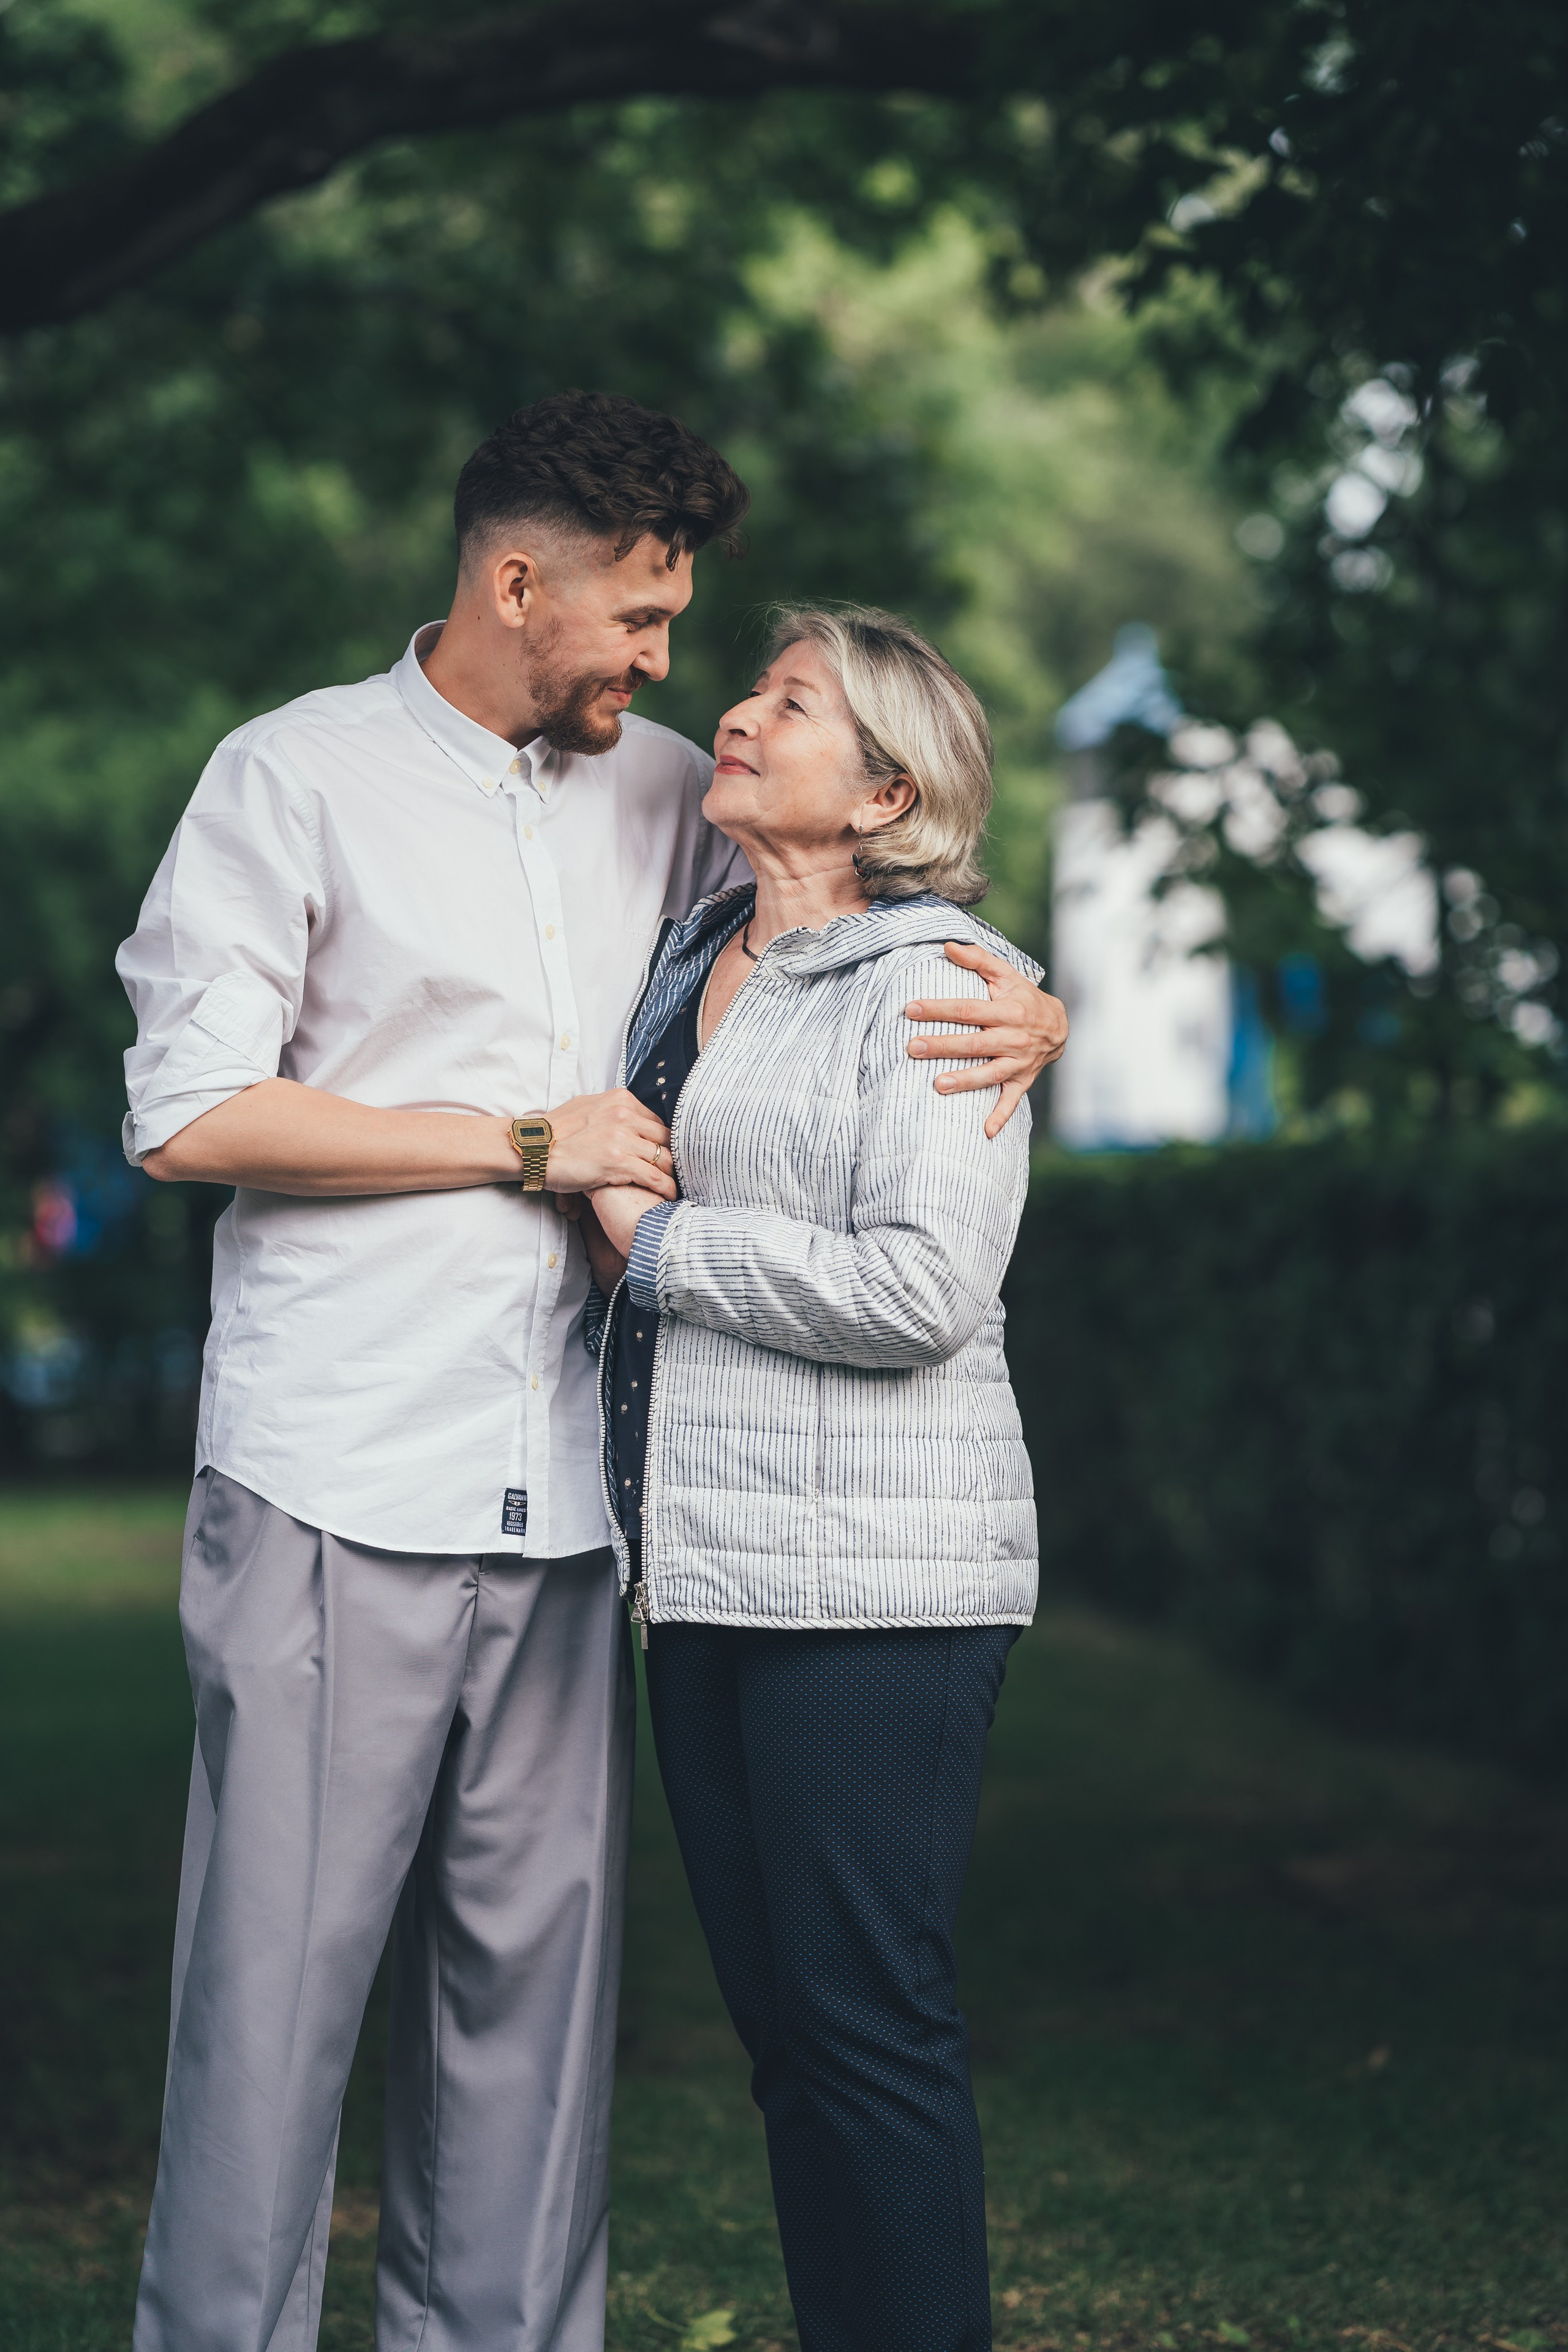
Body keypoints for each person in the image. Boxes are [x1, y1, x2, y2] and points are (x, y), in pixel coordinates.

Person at [116, 392, 1066, 2352]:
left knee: (529, 2048)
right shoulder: (286, 779)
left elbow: (852, 937)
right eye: (638, 622)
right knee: (270, 2023)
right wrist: (517, 1142)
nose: (664, 668)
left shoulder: (661, 803)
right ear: (516, 578)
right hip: (334, 1471)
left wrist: (1026, 995)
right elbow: (189, 1114)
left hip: (578, 1506)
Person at [588, 606, 1041, 2352]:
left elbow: (928, 1290)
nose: (740, 713)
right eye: (755, 688)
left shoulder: (938, 985)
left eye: (793, 705)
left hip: (883, 1588)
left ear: (884, 794)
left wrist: (661, 1247)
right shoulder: (693, 948)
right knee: (792, 2042)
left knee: (868, 2029)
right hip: (704, 1574)